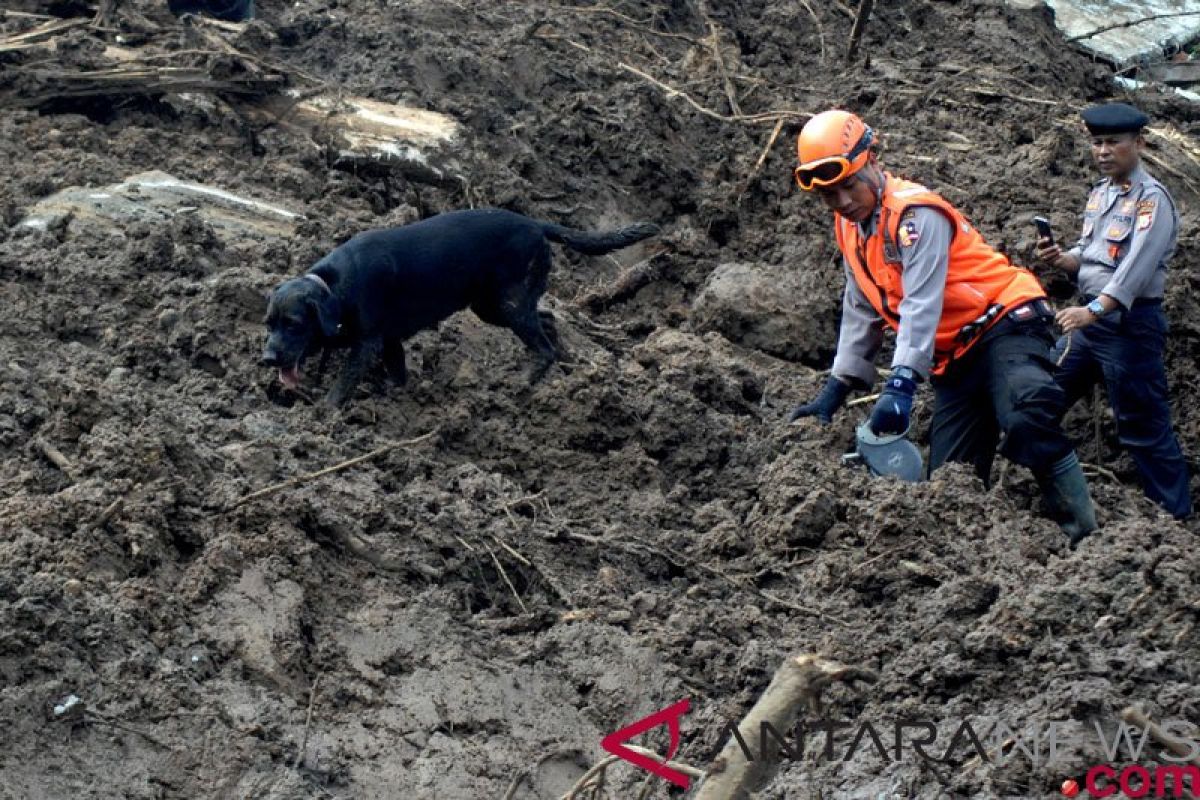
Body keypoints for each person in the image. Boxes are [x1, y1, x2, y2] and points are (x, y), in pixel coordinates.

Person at [788, 109, 1098, 543]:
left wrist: (900, 383)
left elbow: (921, 302)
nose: (841, 201)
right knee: (951, 485)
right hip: (955, 359)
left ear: (872, 160)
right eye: (827, 195)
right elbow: (861, 303)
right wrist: (836, 387)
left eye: (848, 185)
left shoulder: (915, 215)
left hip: (1004, 324)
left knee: (1027, 413)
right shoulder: (850, 227)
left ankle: (1085, 536)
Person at [1035, 102, 1191, 520]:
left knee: (1141, 427)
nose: (1103, 151)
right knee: (1044, 398)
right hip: (1089, 325)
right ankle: (1047, 494)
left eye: (1113, 142)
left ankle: (1174, 519)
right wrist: (1060, 258)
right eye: (1097, 143)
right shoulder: (1101, 194)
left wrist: (1092, 311)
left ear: (1138, 144)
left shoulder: (1151, 201)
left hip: (1127, 326)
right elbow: (1091, 256)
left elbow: (1133, 272)